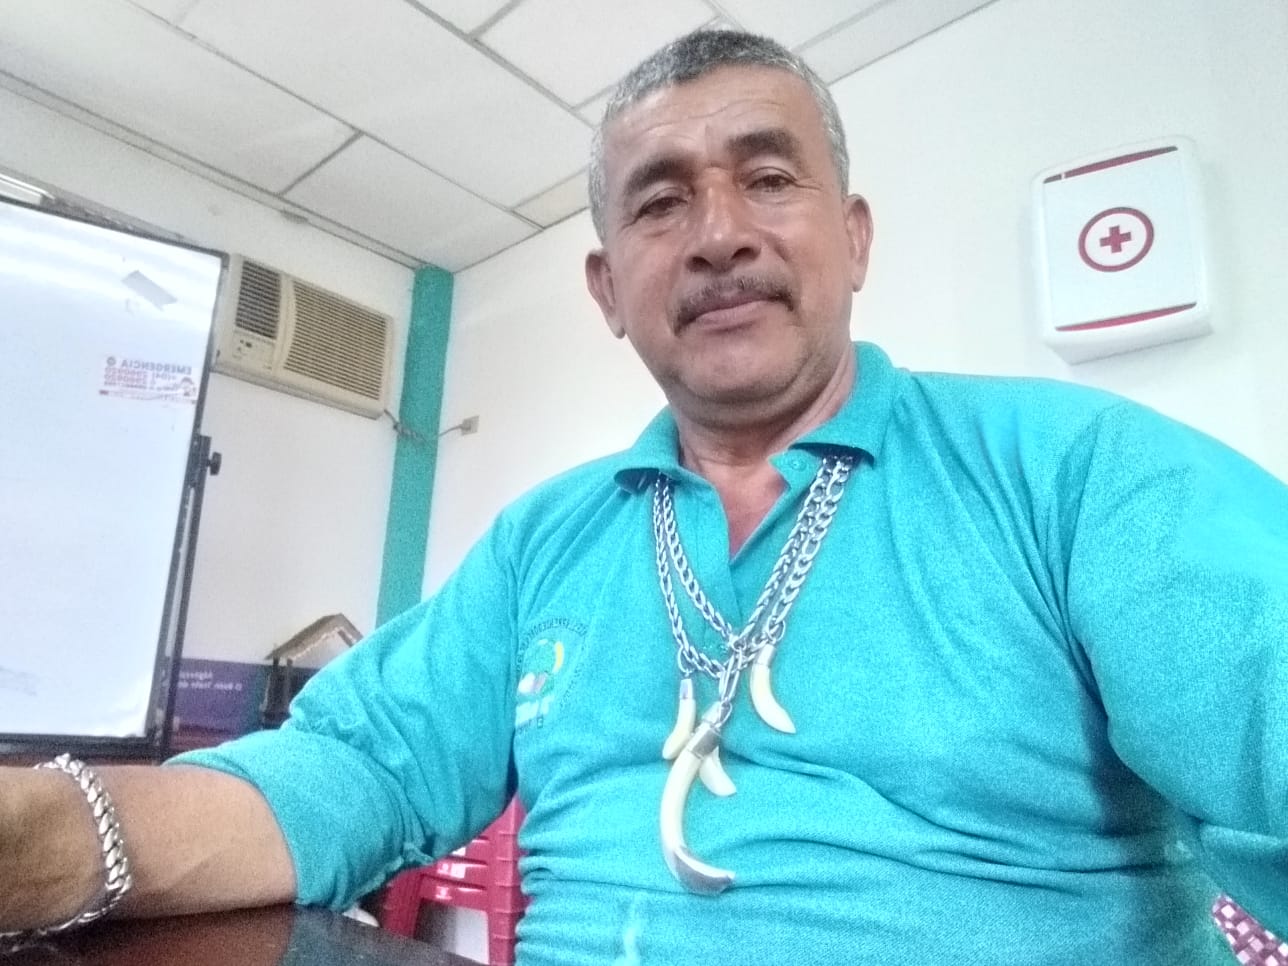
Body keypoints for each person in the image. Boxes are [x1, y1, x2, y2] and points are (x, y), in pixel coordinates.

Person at [2, 29, 1285, 966]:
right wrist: (44, 837)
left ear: (853, 239)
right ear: (609, 289)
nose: (719, 233)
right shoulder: (542, 542)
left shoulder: (1079, 473)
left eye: (767, 179)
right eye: (661, 203)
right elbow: (346, 769)